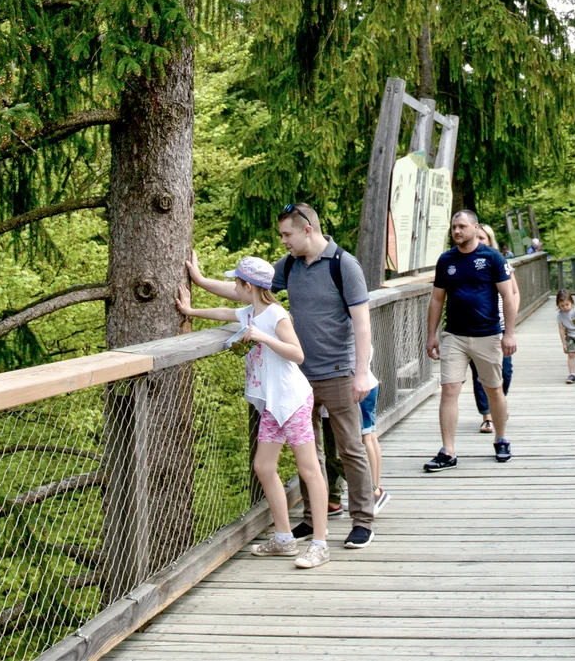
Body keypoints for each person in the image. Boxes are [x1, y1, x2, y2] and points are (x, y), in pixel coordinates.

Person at [186, 203, 380, 549]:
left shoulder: (343, 264)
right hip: (298, 377)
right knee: (310, 452)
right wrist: (200, 281)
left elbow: (362, 322)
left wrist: (361, 372)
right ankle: (312, 519)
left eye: (287, 234)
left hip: (337, 370)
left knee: (349, 448)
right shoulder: (290, 264)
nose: (283, 241)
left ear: (307, 230)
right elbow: (247, 290)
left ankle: (362, 520)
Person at [175, 258, 331, 568]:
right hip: (272, 404)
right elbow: (224, 312)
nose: (233, 287)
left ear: (248, 286)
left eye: (236, 283)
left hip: (292, 401)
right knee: (263, 466)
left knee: (309, 469)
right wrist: (192, 310)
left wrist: (264, 337)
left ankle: (320, 544)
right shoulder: (248, 312)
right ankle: (284, 538)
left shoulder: (275, 314)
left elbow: (298, 354)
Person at [425, 210, 521, 470]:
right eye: (453, 227)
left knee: (493, 389)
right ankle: (448, 451)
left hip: (487, 334)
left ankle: (501, 439)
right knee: (449, 389)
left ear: (475, 227)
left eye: (462, 226)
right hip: (454, 335)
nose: (456, 231)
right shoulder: (446, 260)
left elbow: (508, 296)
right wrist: (431, 335)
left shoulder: (492, 257)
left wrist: (509, 333)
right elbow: (437, 299)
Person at [469, 224, 514, 434]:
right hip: (478, 328)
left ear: (490, 240)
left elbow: (514, 293)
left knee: (506, 370)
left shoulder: (499, 262)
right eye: (476, 237)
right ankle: (487, 415)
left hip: (501, 326)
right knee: (480, 373)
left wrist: (511, 319)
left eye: (482, 238)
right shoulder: (466, 262)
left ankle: (499, 402)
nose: (478, 241)